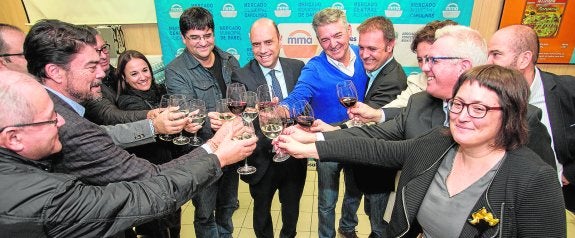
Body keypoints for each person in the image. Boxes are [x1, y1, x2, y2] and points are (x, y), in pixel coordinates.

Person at [279, 64, 566, 237]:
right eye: (458, 104)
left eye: (479, 108)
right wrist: (311, 145)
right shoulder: (436, 143)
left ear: (509, 115)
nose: (462, 116)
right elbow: (376, 150)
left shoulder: (534, 180)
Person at [279, 25, 555, 186]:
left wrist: (312, 145)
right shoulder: (420, 103)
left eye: (433, 61)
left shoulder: (522, 119)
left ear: (464, 66)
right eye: (424, 60)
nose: (425, 68)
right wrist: (316, 137)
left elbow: (541, 193)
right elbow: (371, 136)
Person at [0, 70, 257, 237]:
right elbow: (146, 194)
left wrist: (213, 146)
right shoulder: (45, 201)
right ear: (13, 137)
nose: (62, 123)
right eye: (50, 119)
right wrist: (218, 156)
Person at [1, 23, 174, 149]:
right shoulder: (48, 103)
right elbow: (106, 119)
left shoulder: (109, 73)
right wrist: (152, 120)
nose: (102, 58)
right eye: (92, 63)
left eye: (104, 49)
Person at [278, 8, 368, 238]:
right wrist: (281, 110)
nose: (333, 43)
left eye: (337, 35)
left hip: (358, 138)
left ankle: (348, 227)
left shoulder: (366, 58)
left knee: (355, 192)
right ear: (318, 40)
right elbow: (298, 98)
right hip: (326, 142)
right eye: (325, 39)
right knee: (327, 201)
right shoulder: (314, 68)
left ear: (349, 31)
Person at [221, 18, 307, 238]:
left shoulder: (297, 68)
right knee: (261, 213)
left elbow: (305, 108)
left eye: (268, 42)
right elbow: (241, 120)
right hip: (262, 159)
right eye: (256, 45)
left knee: (292, 210)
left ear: (280, 39)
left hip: (293, 157)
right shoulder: (241, 75)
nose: (263, 50)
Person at [487, 24, 575, 236]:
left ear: (524, 59)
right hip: (508, 203)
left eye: (496, 54)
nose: (488, 62)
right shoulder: (488, 94)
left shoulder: (567, 90)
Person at [164, 7, 241, 238]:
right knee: (206, 213)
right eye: (194, 37)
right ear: (183, 38)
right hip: (202, 152)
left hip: (231, 146)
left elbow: (240, 97)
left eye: (207, 35)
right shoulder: (176, 71)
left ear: (213, 34)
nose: (202, 43)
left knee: (227, 207)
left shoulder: (229, 60)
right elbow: (187, 110)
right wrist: (215, 119)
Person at [116, 50, 200, 237]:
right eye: (134, 74)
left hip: (169, 170)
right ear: (124, 77)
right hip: (147, 176)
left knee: (174, 223)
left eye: (145, 70)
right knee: (154, 228)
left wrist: (186, 126)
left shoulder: (161, 91)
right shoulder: (127, 103)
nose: (142, 77)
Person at [344, 16, 407, 238]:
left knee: (378, 224)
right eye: (361, 47)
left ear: (390, 46)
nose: (364, 54)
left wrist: (328, 130)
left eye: (372, 48)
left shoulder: (392, 79)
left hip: (378, 168)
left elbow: (365, 122)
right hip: (364, 163)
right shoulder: (375, 70)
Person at [348, 20, 458, 125]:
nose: (424, 67)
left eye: (433, 59)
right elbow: (398, 111)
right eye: (420, 60)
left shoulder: (471, 94)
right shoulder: (418, 82)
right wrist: (375, 115)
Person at [82, 28, 156, 126]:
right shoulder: (86, 85)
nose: (104, 56)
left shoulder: (113, 71)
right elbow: (109, 115)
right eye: (96, 51)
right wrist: (150, 114)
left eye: (104, 48)